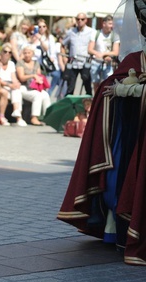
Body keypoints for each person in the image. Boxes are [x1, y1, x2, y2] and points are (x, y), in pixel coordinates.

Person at [58, 0, 146, 265]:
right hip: (135, 137)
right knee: (122, 175)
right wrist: (125, 90)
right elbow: (110, 88)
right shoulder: (134, 59)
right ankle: (117, 230)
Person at [15, 45, 51, 125]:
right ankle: (34, 117)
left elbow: (39, 75)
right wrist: (33, 76)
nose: (27, 55)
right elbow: (21, 78)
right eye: (25, 53)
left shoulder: (36, 63)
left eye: (29, 53)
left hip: (34, 87)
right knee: (37, 95)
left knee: (45, 95)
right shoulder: (20, 63)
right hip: (23, 87)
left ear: (32, 54)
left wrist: (39, 80)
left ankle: (48, 116)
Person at [62, 12, 94, 95]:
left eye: (82, 19)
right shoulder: (71, 32)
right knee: (70, 88)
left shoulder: (91, 31)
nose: (80, 21)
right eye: (78, 19)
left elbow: (94, 46)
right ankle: (69, 106)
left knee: (87, 87)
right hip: (73, 62)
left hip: (85, 63)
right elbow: (63, 45)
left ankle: (89, 106)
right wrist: (64, 58)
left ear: (86, 20)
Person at [87, 15, 120, 93]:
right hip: (96, 62)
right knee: (96, 84)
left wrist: (104, 54)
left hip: (107, 63)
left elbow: (116, 52)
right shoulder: (96, 33)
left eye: (112, 24)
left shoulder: (115, 35)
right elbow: (90, 49)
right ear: (104, 24)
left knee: (108, 83)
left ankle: (105, 101)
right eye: (110, 24)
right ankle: (96, 100)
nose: (112, 26)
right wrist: (98, 54)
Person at [0, 43, 25, 126]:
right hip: (0, 85)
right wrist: (10, 85)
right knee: (13, 91)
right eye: (5, 51)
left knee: (17, 90)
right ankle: (17, 116)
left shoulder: (11, 64)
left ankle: (17, 113)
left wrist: (16, 83)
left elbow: (13, 77)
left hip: (9, 86)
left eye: (9, 52)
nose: (7, 54)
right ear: (1, 52)